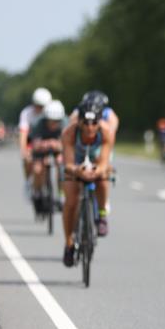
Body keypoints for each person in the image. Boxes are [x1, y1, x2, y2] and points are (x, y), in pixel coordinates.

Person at [60, 92, 119, 266]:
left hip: (96, 161)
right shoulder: (69, 132)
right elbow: (68, 164)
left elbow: (104, 162)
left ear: (100, 121)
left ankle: (102, 215)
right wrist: (78, 171)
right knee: (70, 201)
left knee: (103, 178)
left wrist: (96, 171)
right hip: (76, 162)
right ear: (79, 121)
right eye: (85, 122)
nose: (90, 127)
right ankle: (69, 243)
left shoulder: (107, 132)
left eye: (94, 123)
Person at [28, 99, 66, 214]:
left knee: (62, 166)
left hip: (59, 150)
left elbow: (69, 144)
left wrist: (57, 145)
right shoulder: (38, 123)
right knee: (38, 169)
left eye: (57, 121)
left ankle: (61, 195)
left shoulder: (66, 123)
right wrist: (43, 145)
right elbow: (34, 145)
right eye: (51, 121)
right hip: (41, 150)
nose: (53, 124)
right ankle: (38, 193)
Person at [19, 87, 52, 197]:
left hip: (46, 139)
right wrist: (24, 151)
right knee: (28, 160)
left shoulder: (51, 112)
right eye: (37, 105)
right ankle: (28, 180)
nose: (39, 109)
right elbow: (23, 134)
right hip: (32, 140)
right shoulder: (26, 113)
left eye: (42, 106)